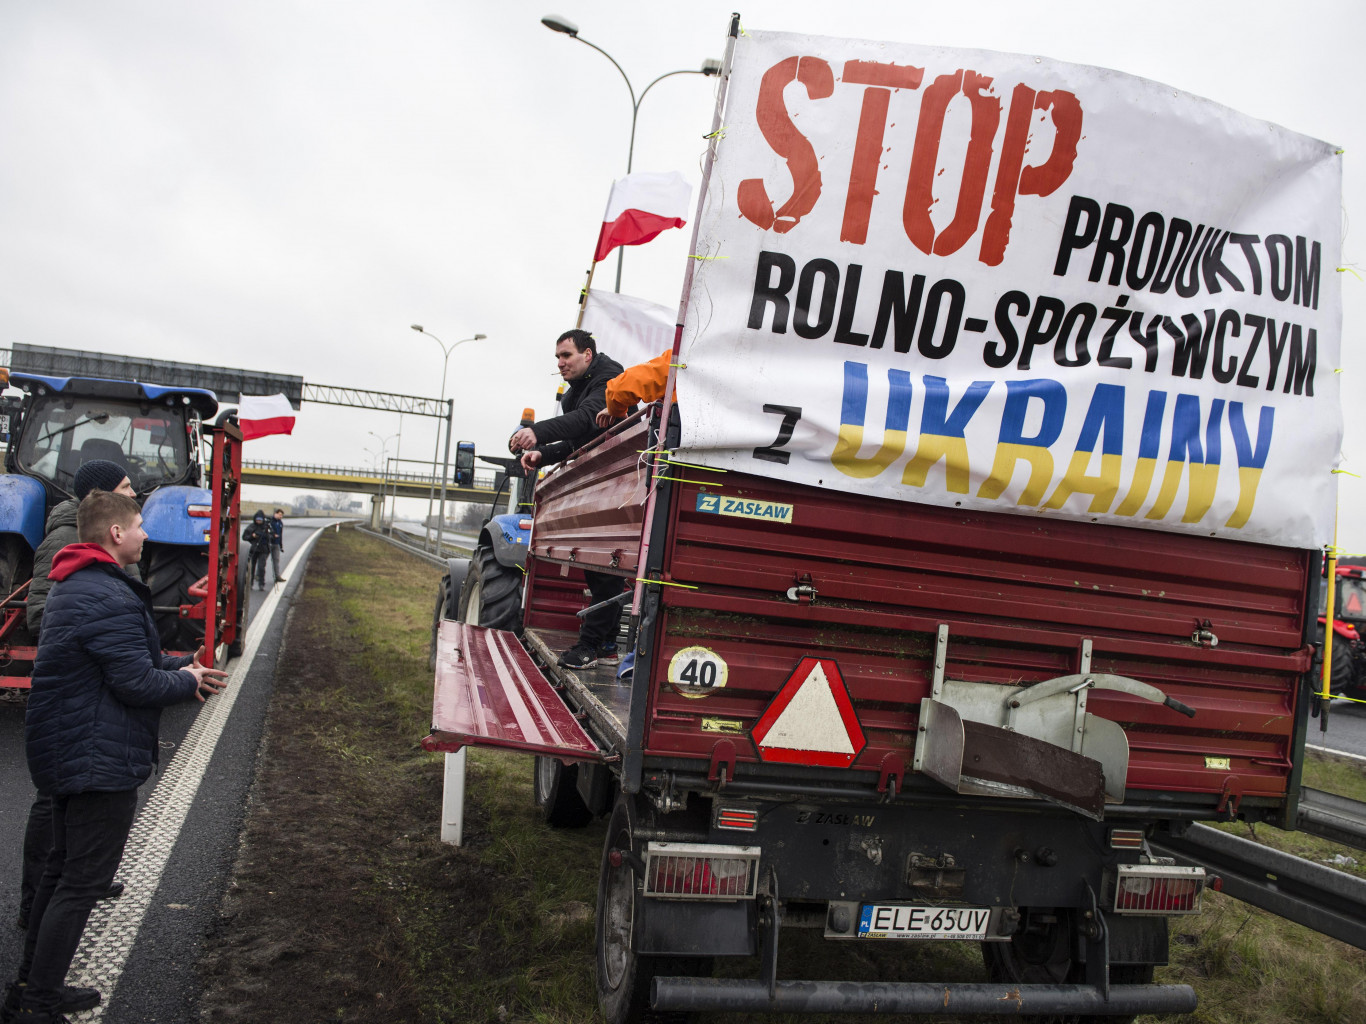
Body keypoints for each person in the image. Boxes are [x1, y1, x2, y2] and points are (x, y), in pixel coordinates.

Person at [5, 490, 227, 1023]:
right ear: (116, 533)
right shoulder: (107, 593)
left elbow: (126, 657)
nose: (147, 534)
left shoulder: (78, 584)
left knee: (62, 873)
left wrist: (180, 663)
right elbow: (135, 682)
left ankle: (31, 985)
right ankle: (38, 1003)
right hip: (95, 757)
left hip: (70, 745)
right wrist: (184, 680)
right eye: (140, 525)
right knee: (80, 882)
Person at [17, 460, 139, 936]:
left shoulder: (100, 538)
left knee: (78, 799)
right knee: (54, 803)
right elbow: (43, 612)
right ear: (104, 498)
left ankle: (82, 877)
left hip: (93, 690)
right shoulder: (66, 539)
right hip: (73, 692)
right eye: (128, 487)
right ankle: (35, 904)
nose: (137, 493)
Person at [507, 329, 625, 670]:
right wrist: (542, 453)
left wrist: (538, 432)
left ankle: (593, 645)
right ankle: (604, 644)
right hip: (597, 482)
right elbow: (578, 443)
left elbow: (588, 418)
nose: (560, 363)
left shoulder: (608, 376)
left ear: (587, 354)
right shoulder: (571, 396)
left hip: (619, 482)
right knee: (596, 567)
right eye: (557, 358)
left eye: (566, 355)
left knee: (607, 567)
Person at [242, 511, 271, 590]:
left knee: (261, 568)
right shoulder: (251, 527)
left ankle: (261, 584)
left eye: (260, 520)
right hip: (253, 550)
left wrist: (265, 534)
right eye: (257, 519)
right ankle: (250, 584)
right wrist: (252, 536)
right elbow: (244, 537)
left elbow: (270, 538)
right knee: (251, 568)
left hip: (263, 550)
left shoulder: (266, 528)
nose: (258, 521)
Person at [268, 509, 286, 584]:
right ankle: (258, 575)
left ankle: (277, 576)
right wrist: (272, 535)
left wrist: (281, 545)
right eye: (279, 514)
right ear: (275, 514)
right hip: (269, 543)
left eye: (281, 515)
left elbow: (280, 535)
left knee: (276, 560)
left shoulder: (280, 523)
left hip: (276, 544)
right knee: (262, 560)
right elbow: (266, 532)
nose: (280, 516)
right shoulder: (270, 522)